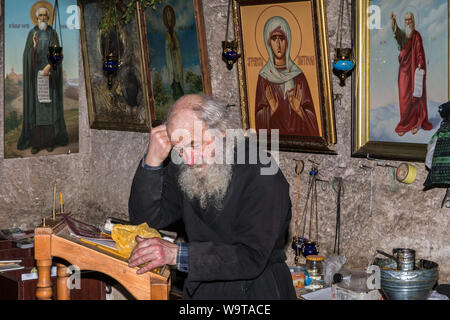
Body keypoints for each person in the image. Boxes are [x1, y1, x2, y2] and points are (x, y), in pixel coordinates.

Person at [128, 94, 297, 299]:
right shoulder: (186, 166)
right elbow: (146, 220)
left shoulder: (261, 171)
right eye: (179, 149)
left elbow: (251, 256)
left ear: (222, 132)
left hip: (255, 291)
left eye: (194, 144)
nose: (188, 159)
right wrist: (152, 162)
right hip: (203, 289)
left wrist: (178, 254)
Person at [255, 16, 319, 137]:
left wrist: (299, 110)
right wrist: (270, 110)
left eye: (282, 38)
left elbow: (313, 122)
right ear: (268, 42)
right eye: (274, 38)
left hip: (300, 139)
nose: (278, 44)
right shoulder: (264, 78)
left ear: (288, 40)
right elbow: (257, 121)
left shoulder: (298, 77)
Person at [17, 5, 68, 154]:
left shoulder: (53, 33)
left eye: (46, 15)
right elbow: (27, 55)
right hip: (35, 78)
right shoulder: (32, 33)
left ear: (48, 17)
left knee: (48, 110)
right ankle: (37, 143)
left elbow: (57, 53)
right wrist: (34, 47)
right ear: (36, 18)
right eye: (41, 16)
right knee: (37, 111)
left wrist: (49, 67)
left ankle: (49, 142)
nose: (43, 18)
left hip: (49, 76)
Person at [391, 11, 432, 136]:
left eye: (410, 19)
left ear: (413, 21)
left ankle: (415, 123)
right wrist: (394, 22)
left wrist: (420, 63)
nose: (408, 21)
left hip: (414, 69)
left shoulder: (417, 35)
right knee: (404, 96)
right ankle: (404, 124)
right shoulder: (403, 34)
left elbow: (419, 50)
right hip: (404, 70)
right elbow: (397, 34)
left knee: (415, 97)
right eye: (406, 20)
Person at [163, 5, 184, 101]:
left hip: (176, 60)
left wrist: (175, 47)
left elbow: (178, 47)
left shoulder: (174, 33)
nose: (169, 17)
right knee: (175, 85)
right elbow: (167, 49)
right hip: (171, 61)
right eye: (167, 15)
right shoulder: (167, 34)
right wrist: (170, 46)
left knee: (179, 82)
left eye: (170, 15)